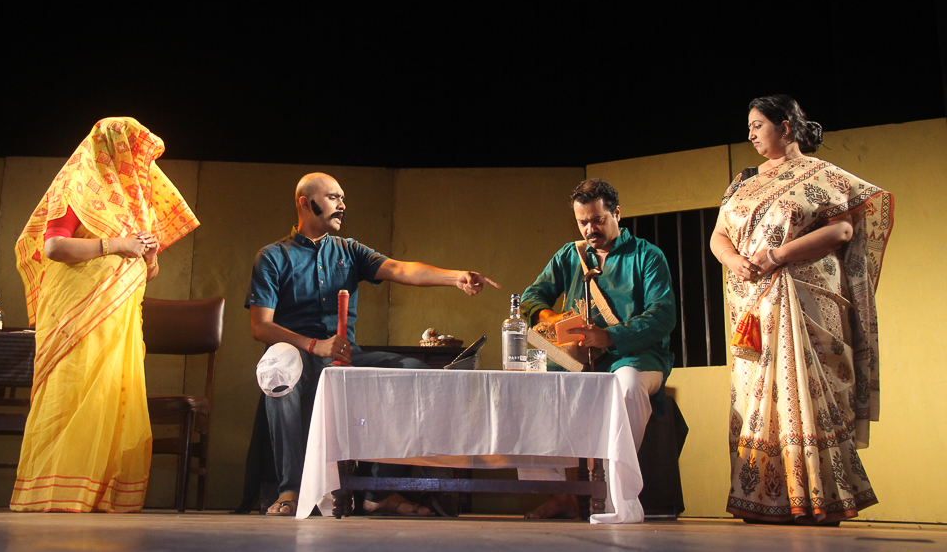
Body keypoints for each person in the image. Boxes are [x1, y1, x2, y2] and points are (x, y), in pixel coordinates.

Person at [246, 172, 499, 516]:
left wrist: (455, 277)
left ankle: (377, 492)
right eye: (333, 197)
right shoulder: (273, 256)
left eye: (342, 198)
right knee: (278, 367)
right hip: (297, 356)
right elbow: (261, 327)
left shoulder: (348, 250)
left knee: (413, 371)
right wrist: (314, 345)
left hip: (343, 356)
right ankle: (289, 489)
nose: (342, 205)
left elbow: (401, 269)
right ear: (306, 203)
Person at [709, 95, 893, 525]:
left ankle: (818, 499)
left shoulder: (822, 175)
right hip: (752, 309)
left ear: (786, 126)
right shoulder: (742, 182)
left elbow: (842, 229)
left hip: (804, 300)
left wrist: (777, 255)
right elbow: (719, 235)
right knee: (756, 398)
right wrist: (734, 260)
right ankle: (762, 498)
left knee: (806, 393)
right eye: (749, 127)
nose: (750, 134)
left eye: (757, 125)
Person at [10, 117, 200, 512]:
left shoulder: (135, 201)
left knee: (112, 392)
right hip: (75, 311)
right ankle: (58, 493)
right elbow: (54, 247)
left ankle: (100, 493)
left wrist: (148, 254)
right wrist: (116, 244)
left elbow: (146, 269)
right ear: (110, 148)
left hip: (119, 313)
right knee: (73, 392)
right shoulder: (77, 186)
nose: (137, 161)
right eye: (132, 150)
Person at [520, 178, 676, 520]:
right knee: (528, 380)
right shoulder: (570, 255)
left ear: (616, 214)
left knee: (627, 386)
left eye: (598, 220)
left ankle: (621, 501)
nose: (590, 229)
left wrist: (609, 337)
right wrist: (554, 318)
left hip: (635, 355)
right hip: (579, 357)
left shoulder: (647, 256)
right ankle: (559, 494)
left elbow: (663, 315)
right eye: (583, 222)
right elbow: (532, 297)